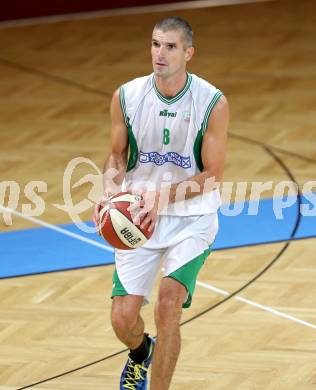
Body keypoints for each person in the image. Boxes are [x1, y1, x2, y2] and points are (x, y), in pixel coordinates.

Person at [93, 16, 229, 390]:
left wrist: (162, 196)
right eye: (155, 44)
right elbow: (116, 156)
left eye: (170, 46)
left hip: (191, 216)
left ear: (189, 52)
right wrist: (110, 185)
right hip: (137, 217)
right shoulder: (127, 96)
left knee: (168, 305)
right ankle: (140, 353)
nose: (160, 53)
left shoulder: (211, 103)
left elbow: (212, 176)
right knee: (123, 320)